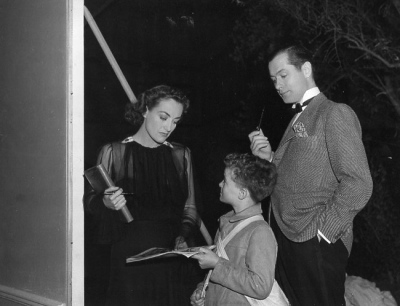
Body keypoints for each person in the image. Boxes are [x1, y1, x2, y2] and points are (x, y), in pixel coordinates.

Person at [249, 45, 373, 306]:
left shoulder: (334, 113)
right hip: (286, 240)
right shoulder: (296, 118)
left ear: (306, 69)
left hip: (314, 242)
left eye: (283, 75)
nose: (278, 85)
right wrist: (269, 159)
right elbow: (300, 176)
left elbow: (359, 182)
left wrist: (324, 233)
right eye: (273, 80)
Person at [84, 85, 202, 306]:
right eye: (163, 117)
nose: (169, 127)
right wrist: (106, 203)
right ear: (145, 110)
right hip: (128, 259)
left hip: (169, 256)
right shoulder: (113, 152)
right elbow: (88, 202)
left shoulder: (181, 155)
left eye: (175, 121)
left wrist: (183, 236)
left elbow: (190, 207)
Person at [190, 153, 289, 306]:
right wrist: (203, 290)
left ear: (242, 193)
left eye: (225, 181)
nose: (220, 184)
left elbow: (260, 286)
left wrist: (217, 264)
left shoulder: (260, 232)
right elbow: (219, 273)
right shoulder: (226, 223)